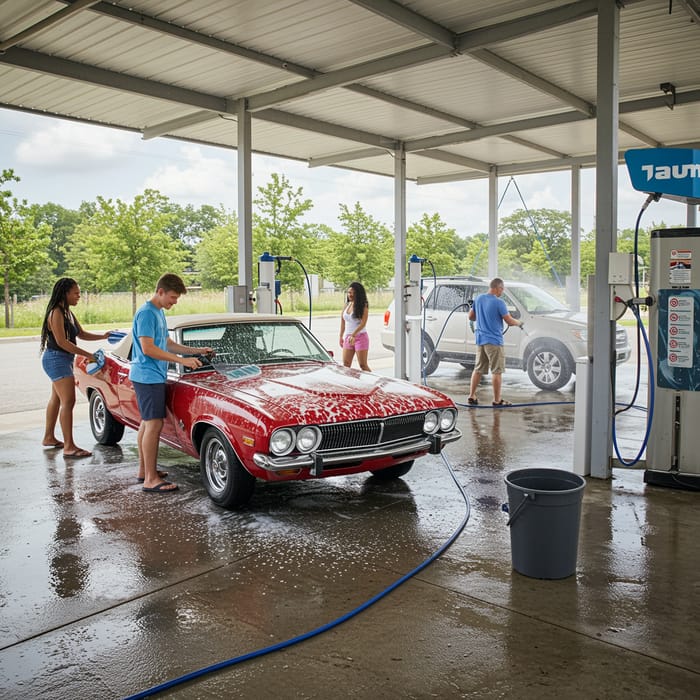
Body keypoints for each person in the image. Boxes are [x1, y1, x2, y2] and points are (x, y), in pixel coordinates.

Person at [129, 273, 213, 494]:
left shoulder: (158, 312)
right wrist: (181, 361)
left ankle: (144, 471)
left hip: (152, 376)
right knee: (153, 425)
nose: (174, 302)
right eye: (173, 297)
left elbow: (166, 343)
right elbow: (148, 348)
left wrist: (196, 351)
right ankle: (150, 479)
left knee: (146, 424)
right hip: (147, 376)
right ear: (160, 292)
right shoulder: (147, 313)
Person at [40, 277, 112, 457]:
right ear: (65, 293)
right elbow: (62, 342)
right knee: (68, 401)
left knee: (56, 399)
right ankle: (69, 447)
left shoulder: (68, 312)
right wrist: (88, 356)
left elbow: (81, 334)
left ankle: (49, 437)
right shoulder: (56, 312)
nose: (79, 296)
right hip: (56, 359)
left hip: (62, 359)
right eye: (76, 293)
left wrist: (103, 336)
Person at [467, 277, 523, 407]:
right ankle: (497, 400)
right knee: (497, 371)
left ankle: (471, 396)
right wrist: (519, 323)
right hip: (494, 341)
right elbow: (509, 321)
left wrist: (482, 314)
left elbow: (471, 317)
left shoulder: (479, 298)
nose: (502, 292)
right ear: (498, 288)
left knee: (478, 369)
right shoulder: (499, 303)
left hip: (480, 340)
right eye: (502, 289)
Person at [339, 281, 371, 371]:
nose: (351, 295)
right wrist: (341, 336)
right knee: (346, 364)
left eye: (353, 293)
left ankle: (373, 382)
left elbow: (363, 323)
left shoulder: (363, 306)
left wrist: (354, 335)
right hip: (348, 337)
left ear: (359, 294)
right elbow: (342, 321)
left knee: (363, 365)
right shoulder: (346, 305)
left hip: (360, 337)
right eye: (349, 292)